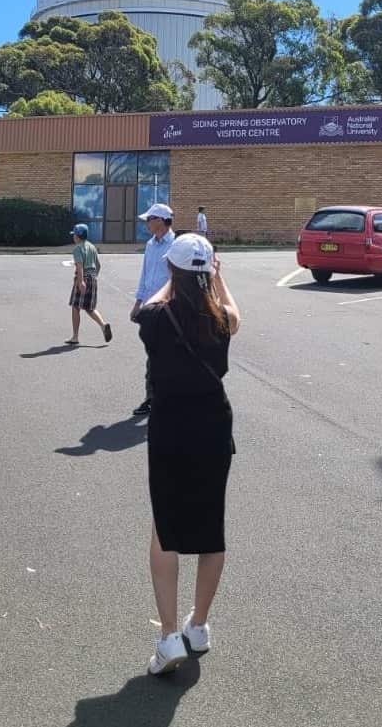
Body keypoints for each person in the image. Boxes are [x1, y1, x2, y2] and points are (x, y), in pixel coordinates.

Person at [134, 233, 240, 676]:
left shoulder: (157, 317)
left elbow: (145, 308)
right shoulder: (221, 319)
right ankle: (200, 625)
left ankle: (169, 635)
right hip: (214, 426)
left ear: (173, 272)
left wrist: (171, 280)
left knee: (166, 528)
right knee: (210, 525)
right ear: (207, 273)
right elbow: (235, 314)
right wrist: (216, 280)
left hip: (171, 426)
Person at [129, 203, 175, 416]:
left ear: (160, 220)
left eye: (149, 219)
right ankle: (152, 398)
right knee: (153, 355)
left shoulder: (176, 245)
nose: (147, 223)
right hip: (149, 309)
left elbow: (177, 280)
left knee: (167, 357)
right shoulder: (150, 245)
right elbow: (144, 275)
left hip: (169, 310)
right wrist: (138, 303)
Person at [67, 224, 111, 345]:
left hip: (83, 278)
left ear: (77, 236)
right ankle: (103, 325)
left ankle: (75, 337)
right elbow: (98, 265)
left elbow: (79, 267)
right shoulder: (92, 247)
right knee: (89, 307)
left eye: (74, 235)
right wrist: (93, 277)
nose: (73, 237)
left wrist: (80, 281)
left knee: (75, 306)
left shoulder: (77, 249)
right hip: (92, 278)